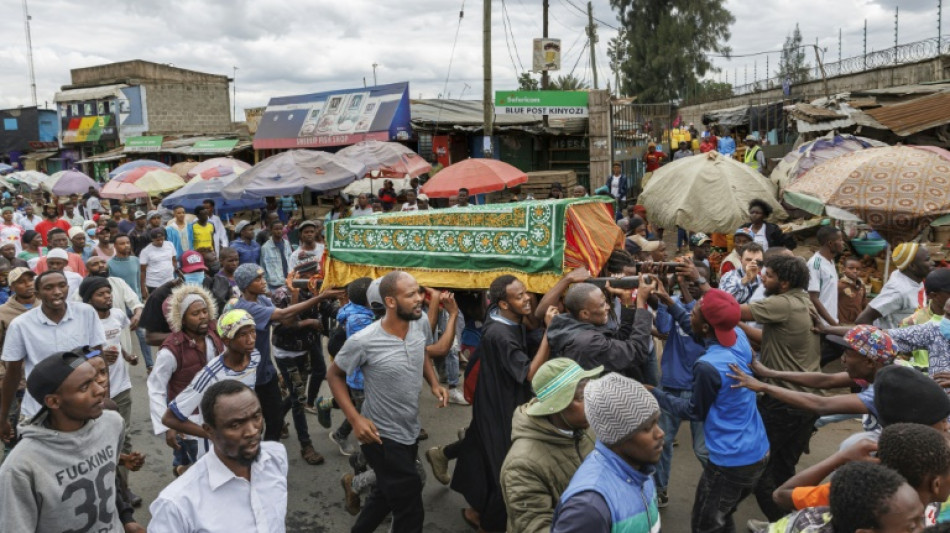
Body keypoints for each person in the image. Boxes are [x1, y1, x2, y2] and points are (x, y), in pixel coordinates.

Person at [327, 270, 449, 533]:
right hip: (380, 437)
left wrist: (435, 383)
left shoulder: (420, 325)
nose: (419, 299)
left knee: (385, 492)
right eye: (411, 295)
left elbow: (423, 354)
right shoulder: (364, 340)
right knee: (410, 506)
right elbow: (334, 374)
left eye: (418, 292)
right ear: (391, 302)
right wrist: (355, 419)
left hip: (410, 430)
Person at [652, 289, 770, 532]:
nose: (689, 314)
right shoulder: (736, 335)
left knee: (706, 524)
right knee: (721, 516)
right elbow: (698, 330)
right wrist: (671, 305)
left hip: (731, 462)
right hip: (756, 449)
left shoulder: (707, 367)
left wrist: (656, 394)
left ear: (706, 326)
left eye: (693, 312)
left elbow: (694, 411)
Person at [452, 275, 556, 532]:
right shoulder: (501, 334)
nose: (527, 299)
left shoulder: (499, 315)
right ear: (504, 303)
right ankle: (489, 524)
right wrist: (550, 334)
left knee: (482, 457)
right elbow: (530, 372)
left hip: (491, 398)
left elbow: (530, 318)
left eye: (526, 293)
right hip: (500, 407)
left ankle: (475, 510)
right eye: (519, 296)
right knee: (506, 471)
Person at [735, 254, 823, 521]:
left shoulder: (781, 303)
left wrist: (706, 293)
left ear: (784, 283)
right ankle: (795, 522)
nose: (762, 276)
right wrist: (739, 326)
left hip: (783, 404)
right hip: (803, 403)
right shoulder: (801, 301)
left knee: (760, 471)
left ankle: (783, 524)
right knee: (784, 469)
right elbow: (769, 339)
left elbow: (729, 311)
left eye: (769, 275)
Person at [0, 349, 127, 532]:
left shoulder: (112, 423)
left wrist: (126, 517)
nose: (100, 389)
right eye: (84, 387)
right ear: (53, 401)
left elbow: (109, 479)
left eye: (95, 379)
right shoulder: (21, 468)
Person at [150, 380, 288, 532]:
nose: (252, 431)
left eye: (256, 417)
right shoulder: (176, 505)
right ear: (209, 431)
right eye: (235, 425)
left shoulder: (276, 458)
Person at [228, 263, 342, 442]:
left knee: (275, 420)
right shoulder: (247, 308)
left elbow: (289, 321)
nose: (263, 281)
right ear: (246, 284)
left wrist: (294, 294)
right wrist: (320, 298)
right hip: (248, 377)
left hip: (266, 371)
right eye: (257, 279)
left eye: (263, 276)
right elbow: (283, 316)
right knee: (253, 424)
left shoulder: (262, 300)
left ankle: (269, 455)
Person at [731, 325, 895, 437]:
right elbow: (825, 380)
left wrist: (763, 386)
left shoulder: (884, 391)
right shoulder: (878, 372)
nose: (842, 359)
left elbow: (821, 405)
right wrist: (770, 373)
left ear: (869, 362)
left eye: (848, 354)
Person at [550, 373, 664, 532]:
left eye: (656, 422)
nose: (660, 434)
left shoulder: (642, 472)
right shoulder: (589, 508)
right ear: (617, 436)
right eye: (646, 428)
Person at [500, 358, 600, 533]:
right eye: (582, 397)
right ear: (557, 406)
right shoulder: (521, 465)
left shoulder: (590, 427)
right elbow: (535, 526)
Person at [147, 283, 223, 476]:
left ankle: (185, 470)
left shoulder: (214, 336)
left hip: (217, 412)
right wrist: (168, 426)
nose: (203, 316)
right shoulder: (171, 350)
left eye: (205, 311)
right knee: (202, 465)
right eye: (195, 314)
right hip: (190, 420)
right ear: (182, 319)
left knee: (219, 459)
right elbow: (156, 388)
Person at [652, 265, 711, 507]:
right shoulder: (672, 301)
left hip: (699, 387)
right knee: (662, 441)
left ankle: (720, 486)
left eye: (694, 283)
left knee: (703, 449)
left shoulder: (709, 310)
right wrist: (667, 288)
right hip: (672, 383)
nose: (689, 287)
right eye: (684, 282)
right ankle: (660, 489)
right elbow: (665, 329)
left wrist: (680, 292)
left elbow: (692, 325)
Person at [160, 309, 261, 445]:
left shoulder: (254, 356)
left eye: (252, 331)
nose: (251, 339)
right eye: (243, 334)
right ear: (226, 340)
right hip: (219, 451)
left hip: (246, 442)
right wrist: (216, 436)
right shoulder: (211, 375)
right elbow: (170, 418)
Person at [270, 254, 327, 466]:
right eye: (313, 276)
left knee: (296, 395)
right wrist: (309, 321)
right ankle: (306, 445)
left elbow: (323, 309)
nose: (316, 279)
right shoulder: (281, 294)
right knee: (299, 399)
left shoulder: (314, 291)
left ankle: (277, 421)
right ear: (301, 276)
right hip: (287, 354)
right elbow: (285, 326)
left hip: (305, 351)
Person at [546, 278, 655, 380]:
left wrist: (627, 304)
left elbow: (619, 339)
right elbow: (636, 352)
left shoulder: (575, 327)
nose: (608, 307)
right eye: (602, 305)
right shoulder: (588, 342)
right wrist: (641, 304)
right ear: (585, 314)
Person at [856, 242, 932, 329]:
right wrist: (882, 338)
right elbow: (862, 320)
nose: (932, 262)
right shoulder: (898, 291)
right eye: (927, 259)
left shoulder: (915, 279)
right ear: (912, 266)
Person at [809, 226, 845, 326]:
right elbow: (813, 298)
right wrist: (833, 324)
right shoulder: (815, 264)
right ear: (830, 243)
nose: (843, 243)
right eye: (840, 240)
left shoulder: (831, 262)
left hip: (831, 323)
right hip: (822, 325)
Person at [140, 227, 179, 297]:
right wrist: (143, 288)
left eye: (162, 239)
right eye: (157, 240)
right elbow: (142, 271)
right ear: (152, 239)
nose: (160, 242)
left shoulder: (170, 245)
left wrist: (173, 269)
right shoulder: (145, 251)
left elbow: (174, 260)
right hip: (154, 284)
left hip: (169, 280)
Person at [259, 219, 292, 291]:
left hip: (288, 282)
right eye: (276, 229)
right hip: (274, 285)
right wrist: (266, 289)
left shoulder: (286, 243)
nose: (279, 231)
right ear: (271, 230)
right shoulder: (266, 247)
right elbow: (263, 268)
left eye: (281, 228)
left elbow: (291, 261)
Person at [838, 257, 868, 325]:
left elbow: (864, 304)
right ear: (843, 269)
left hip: (858, 322)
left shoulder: (861, 287)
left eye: (858, 269)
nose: (855, 271)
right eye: (851, 268)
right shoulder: (840, 286)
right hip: (843, 323)